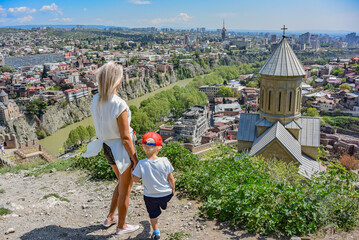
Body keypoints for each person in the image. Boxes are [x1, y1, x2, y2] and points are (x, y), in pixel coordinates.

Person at [82, 61, 139, 235]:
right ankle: (122, 226)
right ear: (118, 81)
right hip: (120, 150)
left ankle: (110, 217)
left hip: (106, 147)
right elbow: (124, 137)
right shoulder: (119, 104)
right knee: (126, 189)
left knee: (122, 184)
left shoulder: (96, 99)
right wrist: (135, 159)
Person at [132, 132, 175, 240]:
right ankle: (163, 205)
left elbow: (136, 180)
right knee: (162, 203)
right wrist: (173, 190)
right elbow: (170, 178)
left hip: (150, 196)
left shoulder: (141, 164)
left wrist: (133, 171)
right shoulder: (165, 160)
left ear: (142, 148)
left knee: (153, 214)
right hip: (166, 194)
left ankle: (156, 232)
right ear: (159, 148)